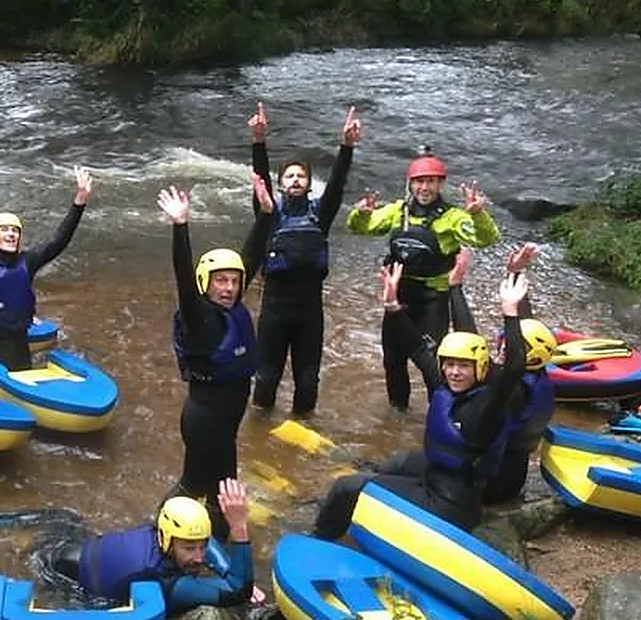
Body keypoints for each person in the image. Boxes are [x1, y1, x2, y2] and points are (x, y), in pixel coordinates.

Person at [310, 262, 529, 540]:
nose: (454, 372)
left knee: (346, 487)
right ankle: (355, 504)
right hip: (436, 474)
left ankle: (318, 539)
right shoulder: (446, 387)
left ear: (480, 368)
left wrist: (510, 312)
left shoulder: (485, 407)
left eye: (463, 366)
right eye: (449, 365)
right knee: (396, 462)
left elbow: (515, 367)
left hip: (450, 504)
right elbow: (415, 347)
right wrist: (392, 305)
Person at [158, 179, 272, 540]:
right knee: (194, 485)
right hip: (205, 420)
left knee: (225, 488)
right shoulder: (200, 319)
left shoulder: (232, 307)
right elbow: (181, 277)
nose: (228, 288)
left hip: (227, 421)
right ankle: (158, 535)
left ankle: (219, 545)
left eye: (234, 282)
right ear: (205, 282)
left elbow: (249, 258)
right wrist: (180, 226)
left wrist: (266, 215)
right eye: (220, 281)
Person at [347, 146, 501, 411]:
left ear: (440, 184)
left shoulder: (452, 218)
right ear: (411, 184)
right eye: (419, 182)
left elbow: (486, 239)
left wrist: (477, 214)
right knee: (393, 361)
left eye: (431, 181)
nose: (424, 188)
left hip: (433, 301)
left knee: (432, 364)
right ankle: (397, 416)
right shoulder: (397, 212)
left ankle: (441, 414)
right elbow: (362, 228)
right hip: (399, 296)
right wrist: (360, 213)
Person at [247, 101, 361, 414]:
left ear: (309, 183)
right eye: (289, 176)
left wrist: (347, 146)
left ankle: (304, 431)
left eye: (301, 176)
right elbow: (261, 184)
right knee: (267, 377)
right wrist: (258, 141)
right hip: (274, 309)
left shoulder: (319, 216)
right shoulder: (270, 214)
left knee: (308, 380)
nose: (295, 180)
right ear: (281, 183)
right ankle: (260, 432)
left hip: (310, 311)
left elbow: (337, 187)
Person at [0, 166, 93, 370]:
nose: (11, 234)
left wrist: (79, 201)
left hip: (19, 346)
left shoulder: (28, 262)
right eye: (4, 230)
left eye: (15, 230)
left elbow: (58, 240)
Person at [31, 480, 256, 611]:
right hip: (61, 575)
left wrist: (231, 570)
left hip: (77, 548)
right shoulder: (172, 584)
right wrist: (239, 529)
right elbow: (238, 594)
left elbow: (212, 545)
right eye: (189, 549)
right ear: (167, 541)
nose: (199, 557)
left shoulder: (162, 532)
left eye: (201, 546)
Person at [449, 244, 560, 504]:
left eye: (505, 344)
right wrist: (514, 272)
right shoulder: (538, 371)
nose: (499, 344)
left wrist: (455, 287)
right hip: (513, 475)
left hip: (492, 484)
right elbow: (525, 323)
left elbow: (468, 339)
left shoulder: (512, 388)